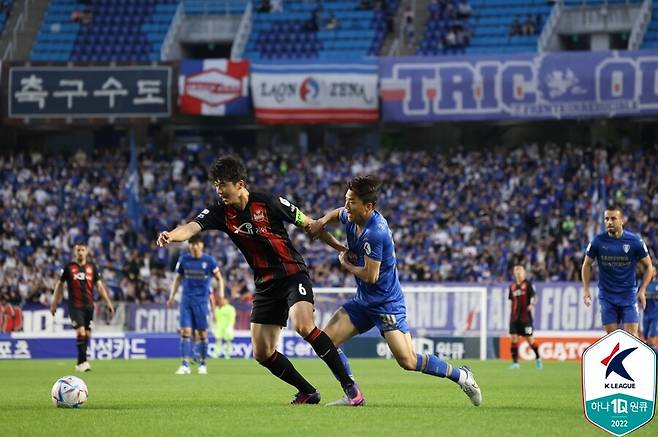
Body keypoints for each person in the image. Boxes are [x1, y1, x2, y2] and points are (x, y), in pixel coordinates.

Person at [157, 155, 359, 404]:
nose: (219, 191)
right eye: (216, 185)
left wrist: (340, 248)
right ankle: (308, 391)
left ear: (240, 184)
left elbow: (310, 225)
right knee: (262, 352)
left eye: (223, 185)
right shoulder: (221, 212)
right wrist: (171, 235)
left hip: (292, 273)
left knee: (304, 326)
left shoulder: (269, 202)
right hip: (265, 284)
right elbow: (191, 227)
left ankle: (350, 389)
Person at [306, 175, 482, 407]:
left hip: (386, 304)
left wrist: (345, 263)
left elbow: (371, 276)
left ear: (368, 207)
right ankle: (353, 395)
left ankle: (461, 375)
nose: (347, 205)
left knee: (408, 361)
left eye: (352, 202)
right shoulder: (351, 216)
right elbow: (338, 212)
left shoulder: (375, 232)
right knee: (325, 341)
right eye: (347, 199)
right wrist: (322, 220)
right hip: (363, 302)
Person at [582, 205, 654, 337]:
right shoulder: (598, 241)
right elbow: (586, 265)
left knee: (632, 337)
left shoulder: (635, 241)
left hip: (628, 296)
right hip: (607, 296)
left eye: (613, 218)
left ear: (622, 220)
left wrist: (642, 290)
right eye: (606, 219)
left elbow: (649, 267)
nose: (609, 222)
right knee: (613, 339)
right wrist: (586, 289)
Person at [50, 241, 115, 372]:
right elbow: (59, 285)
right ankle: (83, 362)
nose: (80, 252)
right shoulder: (69, 267)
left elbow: (100, 287)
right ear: (75, 252)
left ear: (87, 251)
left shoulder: (92, 267)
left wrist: (108, 303)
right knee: (81, 332)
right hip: (75, 305)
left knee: (88, 334)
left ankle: (80, 362)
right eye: (78, 250)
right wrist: (54, 302)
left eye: (82, 250)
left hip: (89, 306)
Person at [167, 234, 223, 375]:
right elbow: (178, 279)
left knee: (202, 333)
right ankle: (185, 364)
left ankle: (202, 363)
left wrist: (221, 295)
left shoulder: (209, 261)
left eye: (196, 244)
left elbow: (219, 279)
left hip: (202, 302)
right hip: (186, 300)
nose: (194, 247)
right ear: (189, 246)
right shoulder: (184, 260)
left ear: (201, 245)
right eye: (191, 245)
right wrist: (172, 296)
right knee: (185, 332)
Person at [507, 262, 541, 369]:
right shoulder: (512, 286)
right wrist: (511, 314)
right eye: (516, 271)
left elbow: (535, 297)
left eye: (520, 271)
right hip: (514, 318)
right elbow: (511, 301)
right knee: (513, 339)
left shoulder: (528, 285)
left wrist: (532, 304)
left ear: (524, 273)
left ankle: (538, 359)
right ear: (514, 273)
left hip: (525, 318)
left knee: (530, 340)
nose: (518, 273)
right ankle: (515, 362)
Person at [214, 295, 237, 359]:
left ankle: (228, 353)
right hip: (219, 327)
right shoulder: (217, 308)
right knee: (218, 340)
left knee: (228, 341)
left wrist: (230, 326)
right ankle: (217, 353)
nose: (222, 301)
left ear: (227, 301)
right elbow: (215, 318)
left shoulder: (230, 308)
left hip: (227, 327)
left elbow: (232, 318)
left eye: (224, 300)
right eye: (221, 300)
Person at [643, 265, 658, 354]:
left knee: (652, 339)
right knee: (646, 340)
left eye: (653, 271)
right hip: (646, 315)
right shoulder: (644, 285)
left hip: (655, 316)